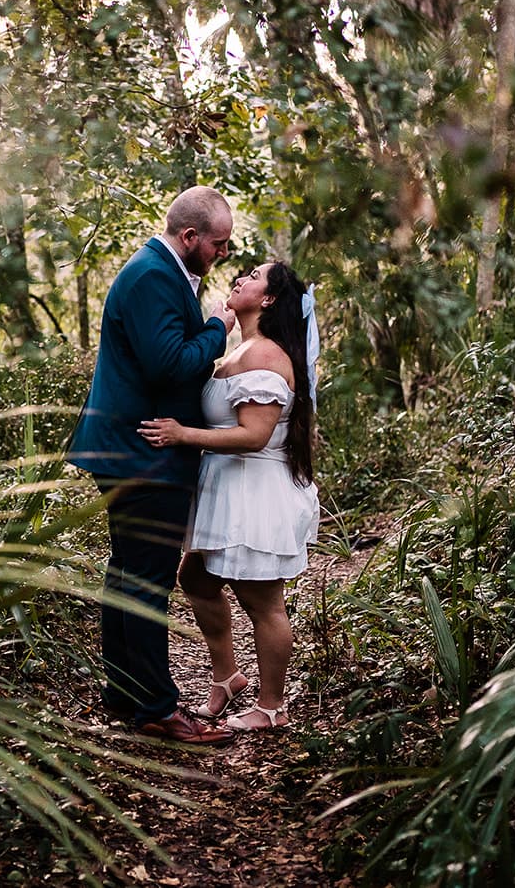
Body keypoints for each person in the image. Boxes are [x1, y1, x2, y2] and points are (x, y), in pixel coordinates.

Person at [67, 186, 237, 745]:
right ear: (189, 237)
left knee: (127, 575)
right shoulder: (153, 277)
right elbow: (170, 367)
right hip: (143, 454)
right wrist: (217, 328)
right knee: (146, 582)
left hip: (133, 449)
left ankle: (125, 694)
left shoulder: (160, 272)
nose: (223, 254)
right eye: (218, 244)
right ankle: (157, 709)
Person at [137, 261, 319, 732]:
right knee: (196, 580)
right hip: (225, 488)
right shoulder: (243, 350)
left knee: (263, 603)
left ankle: (272, 708)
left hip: (253, 492)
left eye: (254, 276)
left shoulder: (267, 356)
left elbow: (254, 436)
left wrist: (182, 434)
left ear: (270, 299)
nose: (240, 278)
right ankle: (227, 678)